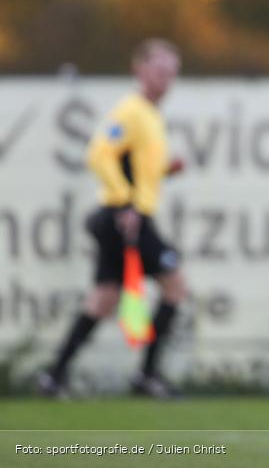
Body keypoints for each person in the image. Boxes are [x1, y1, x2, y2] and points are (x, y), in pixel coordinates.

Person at [38, 38, 188, 399]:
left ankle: (55, 375)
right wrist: (124, 205)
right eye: (159, 70)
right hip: (127, 218)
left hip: (126, 215)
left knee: (103, 299)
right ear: (139, 70)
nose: (165, 78)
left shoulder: (149, 114)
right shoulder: (131, 110)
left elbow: (133, 166)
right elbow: (100, 155)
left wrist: (165, 170)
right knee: (175, 285)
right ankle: (147, 376)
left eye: (171, 72)